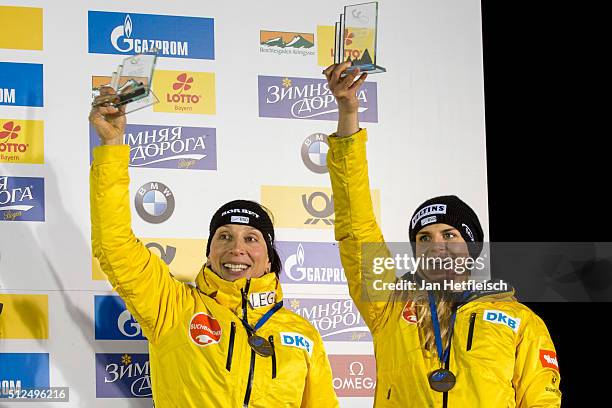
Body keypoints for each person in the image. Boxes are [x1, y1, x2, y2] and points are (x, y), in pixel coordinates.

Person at [323, 62, 562, 407]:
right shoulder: (388, 305)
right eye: (425, 238)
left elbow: (542, 401)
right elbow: (355, 223)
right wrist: (348, 112)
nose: (437, 246)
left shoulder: (519, 321)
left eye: (449, 235)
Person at [89, 88, 338, 408]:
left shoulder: (304, 335)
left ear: (268, 257)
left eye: (251, 238)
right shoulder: (173, 307)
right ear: (209, 251)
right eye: (224, 236)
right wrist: (111, 146)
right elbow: (114, 244)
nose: (236, 248)